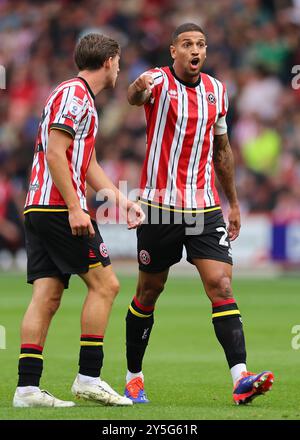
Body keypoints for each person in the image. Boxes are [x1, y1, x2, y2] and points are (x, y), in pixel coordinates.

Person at [124, 23, 274, 405]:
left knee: (221, 285)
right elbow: (133, 96)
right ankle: (134, 376)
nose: (196, 50)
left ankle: (241, 378)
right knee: (149, 291)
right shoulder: (156, 81)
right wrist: (137, 86)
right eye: (188, 44)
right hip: (159, 206)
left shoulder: (217, 91)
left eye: (202, 44)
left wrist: (234, 203)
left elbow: (222, 150)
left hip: (204, 207)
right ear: (173, 50)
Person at [13, 33, 144, 408]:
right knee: (106, 285)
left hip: (39, 206)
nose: (120, 68)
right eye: (118, 61)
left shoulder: (76, 96)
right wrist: (75, 207)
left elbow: (84, 163)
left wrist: (120, 201)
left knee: (47, 294)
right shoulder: (74, 96)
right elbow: (56, 155)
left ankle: (27, 389)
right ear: (109, 60)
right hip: (57, 207)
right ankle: (89, 377)